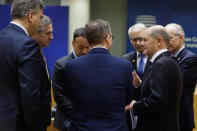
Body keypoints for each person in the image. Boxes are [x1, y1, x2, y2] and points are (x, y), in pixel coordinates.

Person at [55, 19, 132, 131]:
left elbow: (70, 97)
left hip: (81, 127)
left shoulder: (71, 66)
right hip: (115, 127)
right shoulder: (124, 66)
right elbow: (127, 100)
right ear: (108, 38)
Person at [0, 0, 47, 131]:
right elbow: (30, 96)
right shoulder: (28, 44)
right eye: (40, 17)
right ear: (31, 16)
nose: (40, 23)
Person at [125, 25, 183, 131]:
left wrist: (136, 105)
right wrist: (141, 85)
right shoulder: (166, 61)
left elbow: (157, 100)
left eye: (145, 40)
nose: (141, 44)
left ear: (158, 41)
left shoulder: (161, 64)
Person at [52, 27, 90, 131]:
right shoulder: (61, 65)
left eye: (88, 47)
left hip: (90, 121)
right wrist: (79, 113)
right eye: (81, 47)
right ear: (73, 44)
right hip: (68, 120)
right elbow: (59, 95)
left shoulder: (94, 64)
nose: (85, 51)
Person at [165, 23, 197, 131]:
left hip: (181, 117)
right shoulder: (166, 57)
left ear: (181, 37)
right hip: (167, 117)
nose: (166, 42)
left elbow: (175, 84)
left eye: (169, 38)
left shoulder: (190, 58)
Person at [122, 23, 147, 131]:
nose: (138, 43)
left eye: (141, 39)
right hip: (131, 108)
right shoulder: (126, 59)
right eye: (134, 40)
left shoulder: (155, 58)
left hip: (149, 105)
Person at [31, 14, 53, 130]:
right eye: (48, 33)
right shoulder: (31, 56)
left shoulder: (40, 54)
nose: (52, 37)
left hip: (42, 121)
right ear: (35, 33)